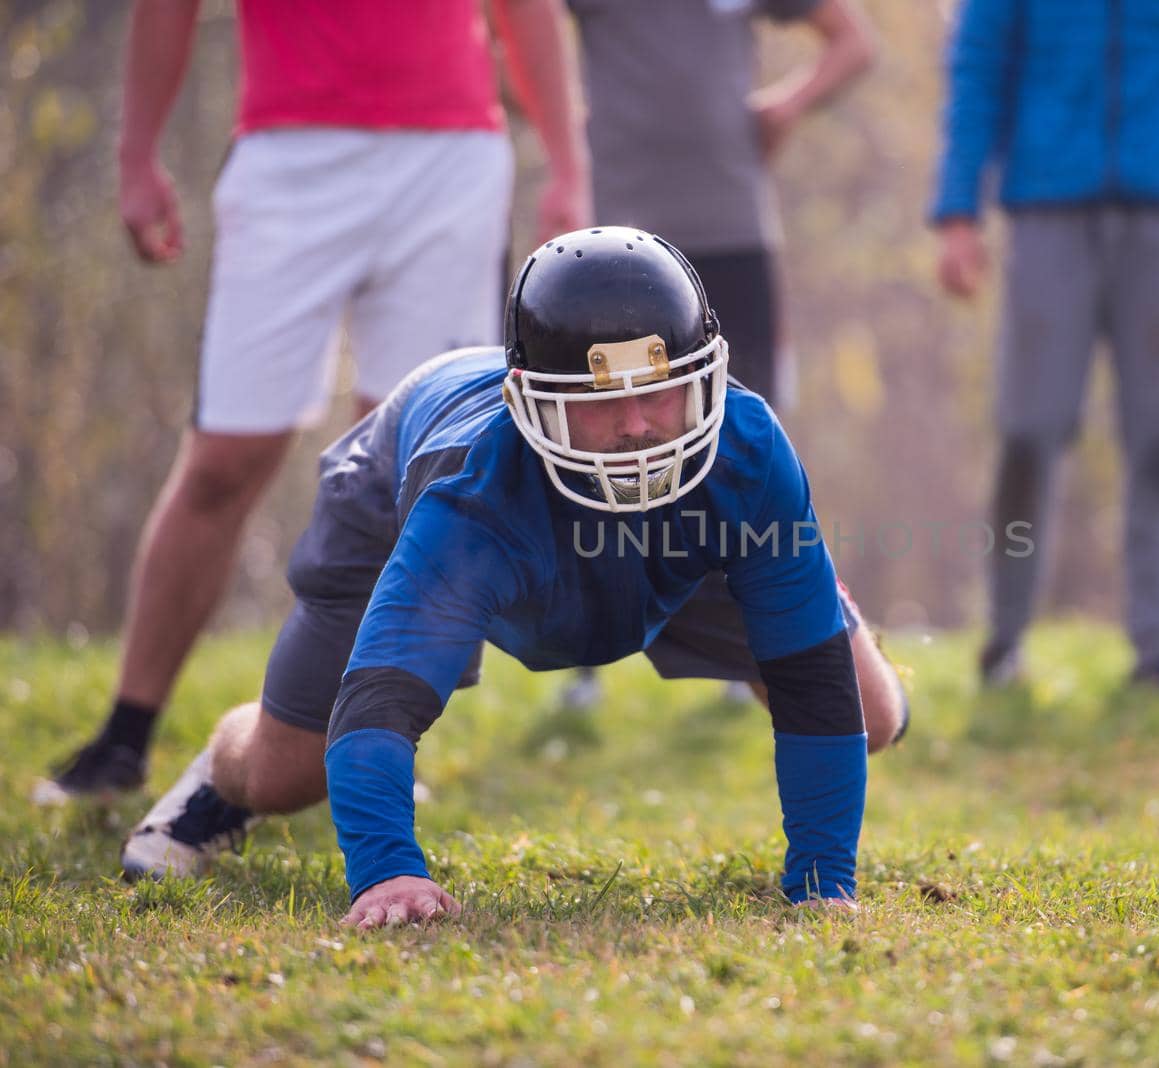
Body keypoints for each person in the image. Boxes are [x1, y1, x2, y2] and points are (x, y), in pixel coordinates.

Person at [118, 228, 908, 925]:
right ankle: (216, 780)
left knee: (862, 708)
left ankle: (812, 593)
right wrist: (388, 871)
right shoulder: (471, 493)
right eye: (603, 404)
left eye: (661, 390)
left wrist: (822, 882)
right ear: (530, 402)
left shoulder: (746, 446)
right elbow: (381, 704)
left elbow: (811, 687)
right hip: (421, 486)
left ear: (704, 373)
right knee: (286, 770)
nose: (637, 425)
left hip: (677, 530)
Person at [37, 0, 590, 802]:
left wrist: (570, 169)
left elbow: (527, 12)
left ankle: (376, 738)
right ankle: (124, 737)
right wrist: (136, 155)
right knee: (225, 460)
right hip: (288, 155)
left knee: (421, 467)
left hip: (453, 156)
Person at [931, 0, 1159, 694]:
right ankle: (1005, 642)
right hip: (1048, 211)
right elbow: (979, 70)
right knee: (1027, 434)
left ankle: (1154, 653)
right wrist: (958, 209)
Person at [553, 0, 876, 712]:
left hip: (735, 232)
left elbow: (853, 42)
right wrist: (561, 124)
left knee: (740, 447)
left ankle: (745, 652)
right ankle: (583, 656)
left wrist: (788, 104)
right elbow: (501, 37)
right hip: (616, 239)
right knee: (599, 442)